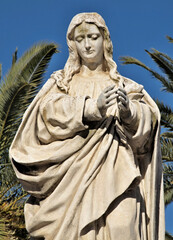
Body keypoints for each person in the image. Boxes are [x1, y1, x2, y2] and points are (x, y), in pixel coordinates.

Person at [9, 12, 165, 240]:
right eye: (80, 40)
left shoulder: (124, 86)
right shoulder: (62, 83)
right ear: (72, 45)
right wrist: (90, 108)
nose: (87, 45)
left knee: (124, 228)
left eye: (93, 37)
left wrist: (129, 112)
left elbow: (147, 131)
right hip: (70, 184)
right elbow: (45, 115)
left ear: (105, 40)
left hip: (119, 174)